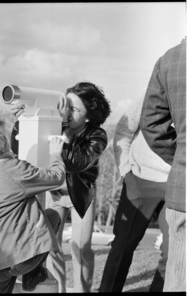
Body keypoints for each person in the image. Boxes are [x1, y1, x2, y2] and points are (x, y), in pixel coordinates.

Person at [11, 82, 111, 292]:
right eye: (65, 106)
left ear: (89, 115)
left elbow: (77, 163)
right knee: (51, 247)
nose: (66, 112)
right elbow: (19, 147)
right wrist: (22, 121)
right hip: (54, 194)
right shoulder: (54, 123)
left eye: (74, 109)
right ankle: (60, 290)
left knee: (81, 249)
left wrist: (63, 125)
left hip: (80, 198)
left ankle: (83, 290)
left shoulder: (97, 136)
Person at [0, 115, 66, 293]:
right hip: (21, 260)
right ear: (3, 142)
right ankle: (32, 274)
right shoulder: (14, 169)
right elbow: (56, 177)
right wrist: (55, 153)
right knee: (53, 215)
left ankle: (31, 273)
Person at [98, 96, 170, 292]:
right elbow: (123, 131)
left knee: (175, 251)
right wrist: (125, 171)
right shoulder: (150, 96)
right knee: (122, 247)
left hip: (177, 183)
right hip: (139, 179)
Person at [140, 38, 186, 292]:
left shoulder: (170, 59)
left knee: (178, 276)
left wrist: (181, 159)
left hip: (183, 187)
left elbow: (151, 125)